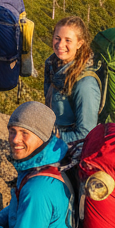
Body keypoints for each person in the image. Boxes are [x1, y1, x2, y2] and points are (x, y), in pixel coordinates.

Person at [43, 15, 102, 146]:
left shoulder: (85, 83)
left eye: (68, 40)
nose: (60, 44)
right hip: (54, 144)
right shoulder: (52, 65)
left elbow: (85, 134)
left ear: (79, 44)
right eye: (57, 38)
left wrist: (49, 140)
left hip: (70, 154)